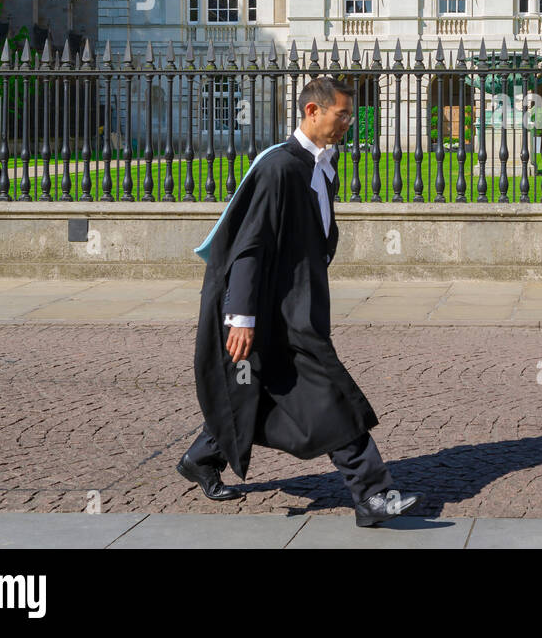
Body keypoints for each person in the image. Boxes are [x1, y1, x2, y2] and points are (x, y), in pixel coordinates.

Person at [177, 75, 422, 527]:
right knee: (329, 392)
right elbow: (248, 247)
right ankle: (372, 493)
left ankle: (202, 456)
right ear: (312, 111)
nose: (349, 122)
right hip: (274, 310)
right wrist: (241, 317)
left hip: (298, 303)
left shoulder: (322, 165)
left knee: (259, 389)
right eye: (342, 114)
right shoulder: (278, 167)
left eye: (350, 114)